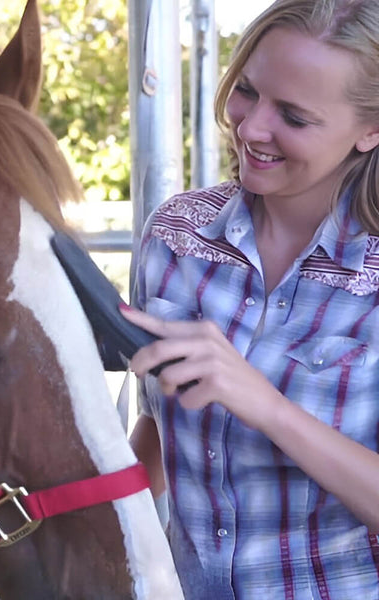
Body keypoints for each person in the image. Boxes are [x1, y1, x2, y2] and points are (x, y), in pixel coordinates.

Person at [120, 1, 379, 598]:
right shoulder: (175, 237)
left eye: (293, 115)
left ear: (371, 129)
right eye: (247, 91)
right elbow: (158, 430)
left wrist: (268, 407)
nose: (251, 127)